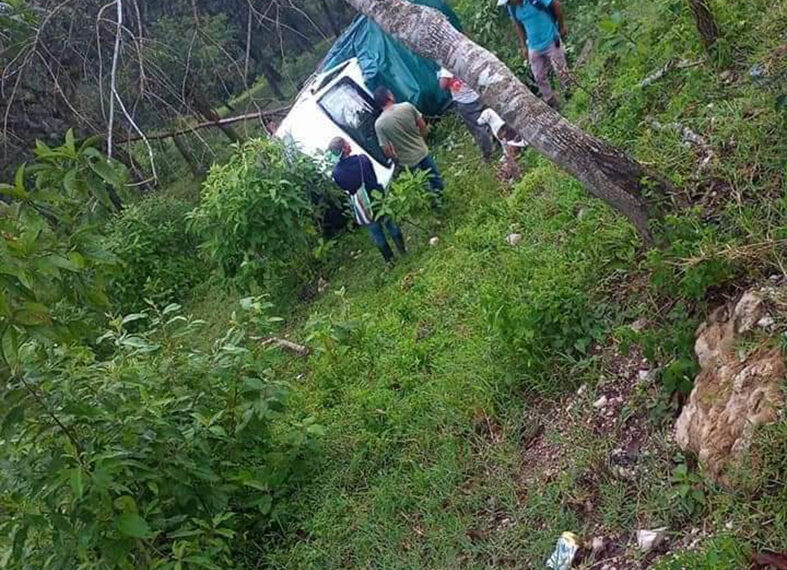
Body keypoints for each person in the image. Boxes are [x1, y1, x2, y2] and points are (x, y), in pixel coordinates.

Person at [328, 136, 406, 264]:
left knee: (376, 233)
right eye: (346, 142)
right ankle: (403, 252)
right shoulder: (362, 159)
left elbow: (345, 188)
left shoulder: (336, 173)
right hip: (376, 196)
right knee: (390, 224)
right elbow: (373, 177)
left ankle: (390, 261)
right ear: (345, 148)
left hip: (361, 205)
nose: (349, 143)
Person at [373, 86, 444, 200]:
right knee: (435, 179)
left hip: (406, 161)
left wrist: (396, 158)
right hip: (422, 151)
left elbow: (386, 149)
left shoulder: (379, 124)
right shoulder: (407, 106)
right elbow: (423, 126)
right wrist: (421, 140)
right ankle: (443, 199)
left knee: (421, 186)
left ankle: (432, 204)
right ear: (389, 96)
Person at [498, 0, 572, 109]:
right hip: (533, 45)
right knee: (538, 75)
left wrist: (561, 26)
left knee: (561, 70)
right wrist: (524, 45)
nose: (508, 4)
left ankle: (570, 95)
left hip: (551, 39)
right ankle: (550, 101)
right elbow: (518, 25)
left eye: (509, 1)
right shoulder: (513, 8)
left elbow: (556, 4)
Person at [436, 68, 494, 162]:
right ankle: (500, 143)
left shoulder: (446, 66)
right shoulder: (464, 55)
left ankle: (489, 153)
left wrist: (440, 77)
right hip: (478, 94)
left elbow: (443, 85)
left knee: (478, 128)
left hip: (465, 101)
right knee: (490, 119)